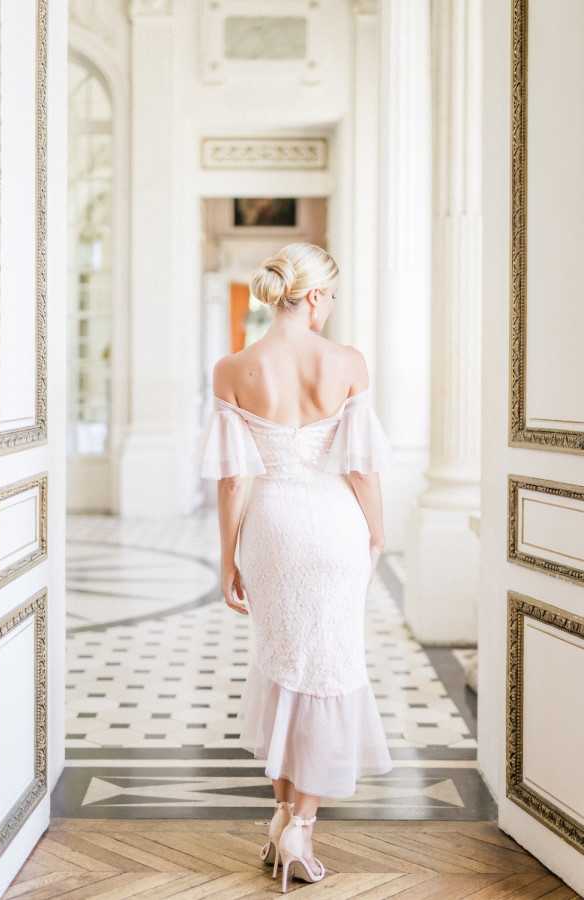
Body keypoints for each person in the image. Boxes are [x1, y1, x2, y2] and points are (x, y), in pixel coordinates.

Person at [198, 242, 393, 892]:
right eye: (329, 296)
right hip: (335, 526)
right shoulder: (346, 361)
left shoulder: (233, 368)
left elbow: (231, 482)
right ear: (312, 296)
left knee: (284, 663)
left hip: (272, 527)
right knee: (329, 667)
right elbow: (360, 468)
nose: (330, 307)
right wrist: (378, 531)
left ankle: (282, 813)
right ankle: (300, 830)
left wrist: (227, 559)